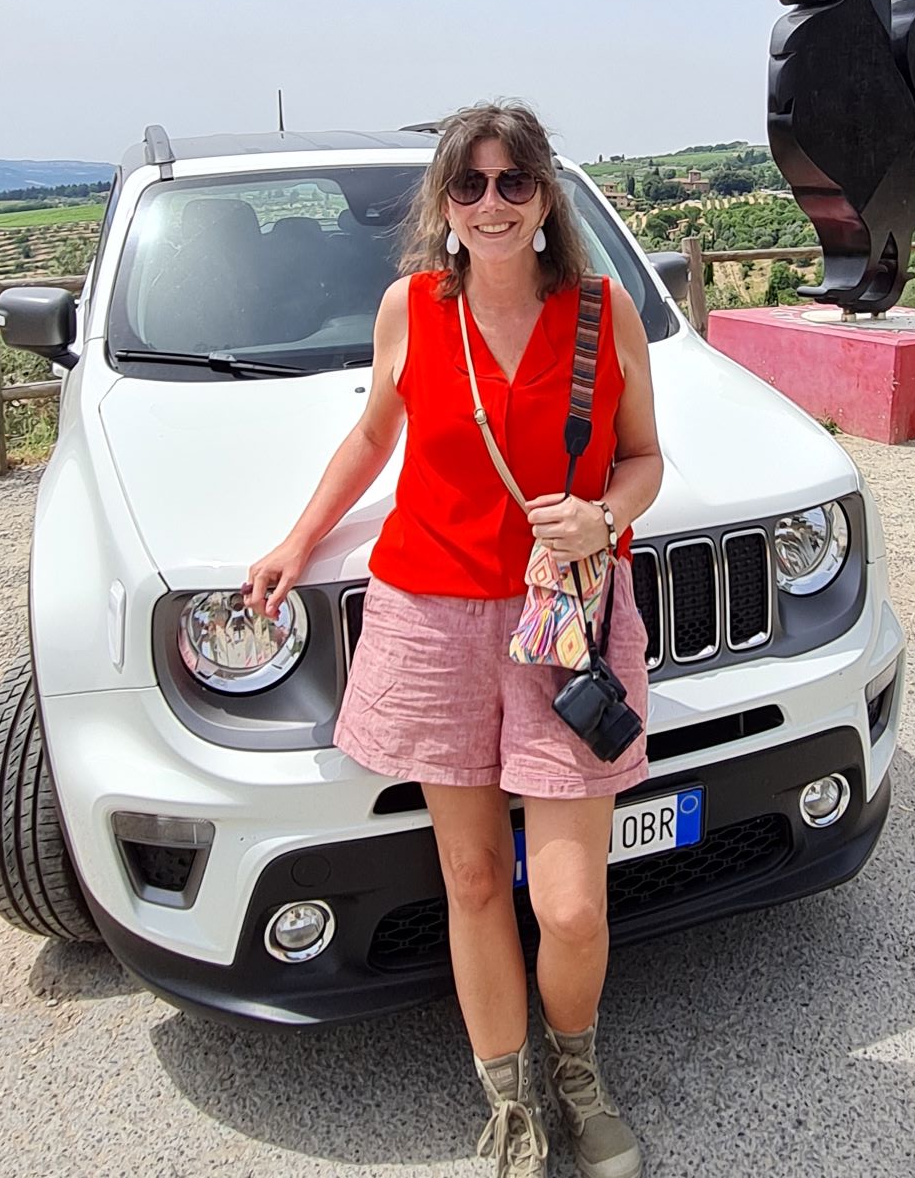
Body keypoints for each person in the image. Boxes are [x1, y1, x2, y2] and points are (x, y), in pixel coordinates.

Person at [246, 101, 662, 1178]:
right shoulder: (410, 310)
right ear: (442, 201)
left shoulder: (602, 313)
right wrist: (300, 539)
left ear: (545, 196)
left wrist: (604, 516)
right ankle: (511, 1103)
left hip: (563, 620)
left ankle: (577, 1071)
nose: (490, 202)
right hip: (432, 618)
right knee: (474, 880)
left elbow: (645, 459)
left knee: (570, 903)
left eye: (512, 182)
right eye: (468, 184)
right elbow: (375, 432)